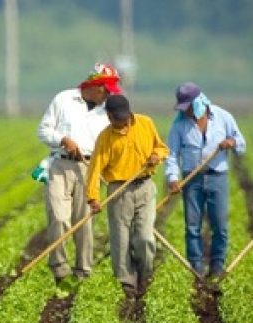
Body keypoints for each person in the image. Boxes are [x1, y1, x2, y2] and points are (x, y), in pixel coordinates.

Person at [37, 63, 123, 284]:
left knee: (84, 221)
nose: (110, 94)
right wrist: (63, 140)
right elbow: (43, 130)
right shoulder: (64, 99)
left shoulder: (107, 111)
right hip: (60, 165)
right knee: (58, 218)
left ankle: (83, 271)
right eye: (108, 89)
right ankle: (60, 270)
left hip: (89, 167)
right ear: (96, 86)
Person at [87, 95, 169, 296]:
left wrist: (156, 156)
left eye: (125, 117)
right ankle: (127, 284)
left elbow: (162, 147)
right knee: (121, 240)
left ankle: (144, 275)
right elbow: (94, 169)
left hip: (145, 187)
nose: (123, 122)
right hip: (119, 190)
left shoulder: (145, 123)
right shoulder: (105, 137)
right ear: (109, 116)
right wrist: (93, 198)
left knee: (144, 237)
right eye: (118, 118)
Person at [165, 82, 246, 279]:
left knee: (220, 225)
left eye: (189, 107)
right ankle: (196, 266)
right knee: (192, 226)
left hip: (218, 176)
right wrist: (172, 178)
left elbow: (241, 143)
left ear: (200, 102)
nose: (187, 112)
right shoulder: (179, 125)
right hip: (192, 179)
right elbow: (172, 155)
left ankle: (217, 266)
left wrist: (231, 142)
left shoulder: (223, 117)